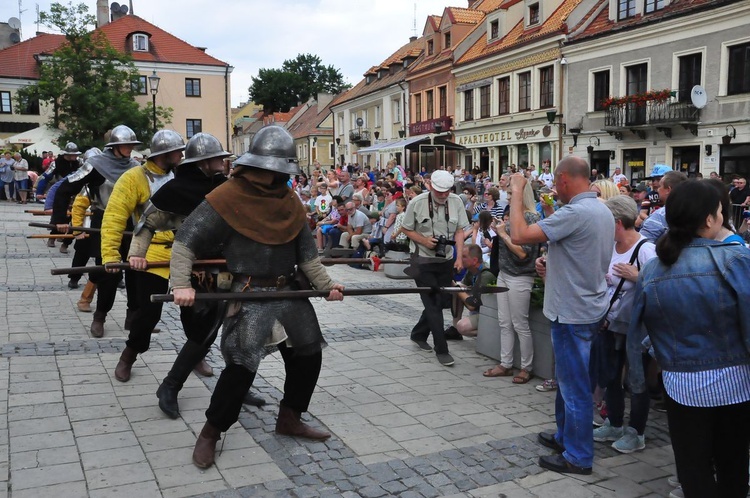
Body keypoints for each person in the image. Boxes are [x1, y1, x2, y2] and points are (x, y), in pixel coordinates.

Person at [169, 125, 344, 469]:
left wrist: (326, 285)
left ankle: (290, 417)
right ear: (258, 166)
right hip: (250, 293)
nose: (277, 176)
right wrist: (181, 285)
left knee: (308, 355)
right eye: (273, 169)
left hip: (289, 291)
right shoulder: (226, 198)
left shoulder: (289, 201)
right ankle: (211, 431)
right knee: (241, 367)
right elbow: (185, 242)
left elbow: (307, 254)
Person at [626, 180, 750, 498]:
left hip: (681, 384)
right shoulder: (735, 260)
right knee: (733, 467)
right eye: (721, 211)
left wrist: (655, 365)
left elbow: (638, 331)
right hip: (734, 383)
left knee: (693, 469)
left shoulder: (653, 270)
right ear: (710, 219)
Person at [509, 156, 614, 475]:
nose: (555, 187)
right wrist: (550, 262)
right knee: (572, 381)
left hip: (572, 313)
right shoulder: (600, 210)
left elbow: (519, 234)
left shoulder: (578, 211)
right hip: (587, 307)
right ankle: (565, 437)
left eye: (556, 182)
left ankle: (578, 456)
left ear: (566, 180)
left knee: (575, 388)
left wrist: (516, 191)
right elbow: (575, 249)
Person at [102, 130, 185, 382]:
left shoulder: (182, 176)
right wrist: (110, 255)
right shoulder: (134, 178)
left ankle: (196, 354)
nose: (181, 155)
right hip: (148, 251)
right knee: (148, 313)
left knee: (197, 310)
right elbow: (115, 217)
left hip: (185, 251)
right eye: (177, 151)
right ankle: (129, 354)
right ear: (164, 154)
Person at [52, 125, 142, 337]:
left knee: (135, 272)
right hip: (105, 221)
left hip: (131, 223)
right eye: (125, 145)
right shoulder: (95, 166)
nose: (129, 148)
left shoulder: (135, 167)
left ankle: (133, 317)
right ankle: (100, 316)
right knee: (108, 271)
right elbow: (65, 188)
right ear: (114, 147)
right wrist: (59, 221)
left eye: (131, 145)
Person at [592, 195, 656, 454]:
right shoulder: (609, 245)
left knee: (636, 381)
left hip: (634, 328)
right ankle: (614, 423)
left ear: (617, 222)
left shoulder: (645, 250)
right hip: (609, 323)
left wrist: (638, 276)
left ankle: (636, 432)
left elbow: (659, 287)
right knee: (609, 376)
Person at [401, 169, 470, 366]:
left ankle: (418, 334)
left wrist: (458, 257)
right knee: (432, 304)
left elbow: (459, 231)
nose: (443, 195)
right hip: (422, 259)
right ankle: (442, 349)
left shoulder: (456, 201)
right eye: (439, 191)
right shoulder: (417, 202)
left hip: (445, 259)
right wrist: (424, 240)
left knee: (441, 302)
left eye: (446, 191)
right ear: (430, 186)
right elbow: (406, 228)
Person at [482, 180, 540, 384]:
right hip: (505, 273)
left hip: (521, 276)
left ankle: (526, 367)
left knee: (519, 324)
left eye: (510, 192)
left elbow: (524, 254)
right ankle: (505, 363)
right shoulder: (511, 214)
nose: (507, 195)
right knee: (504, 322)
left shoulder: (531, 217)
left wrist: (504, 234)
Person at [444, 244, 496, 339]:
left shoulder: (486, 275)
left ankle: (493, 333)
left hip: (489, 315)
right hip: (479, 310)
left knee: (462, 327)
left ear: (475, 260)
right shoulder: (471, 271)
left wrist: (455, 287)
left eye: (464, 256)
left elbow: (472, 306)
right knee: (457, 289)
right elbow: (462, 288)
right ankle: (455, 330)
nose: (460, 259)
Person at [640, 170, 688, 243]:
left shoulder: (659, 216)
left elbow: (642, 245)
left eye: (660, 186)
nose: (658, 190)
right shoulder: (694, 212)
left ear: (668, 190)